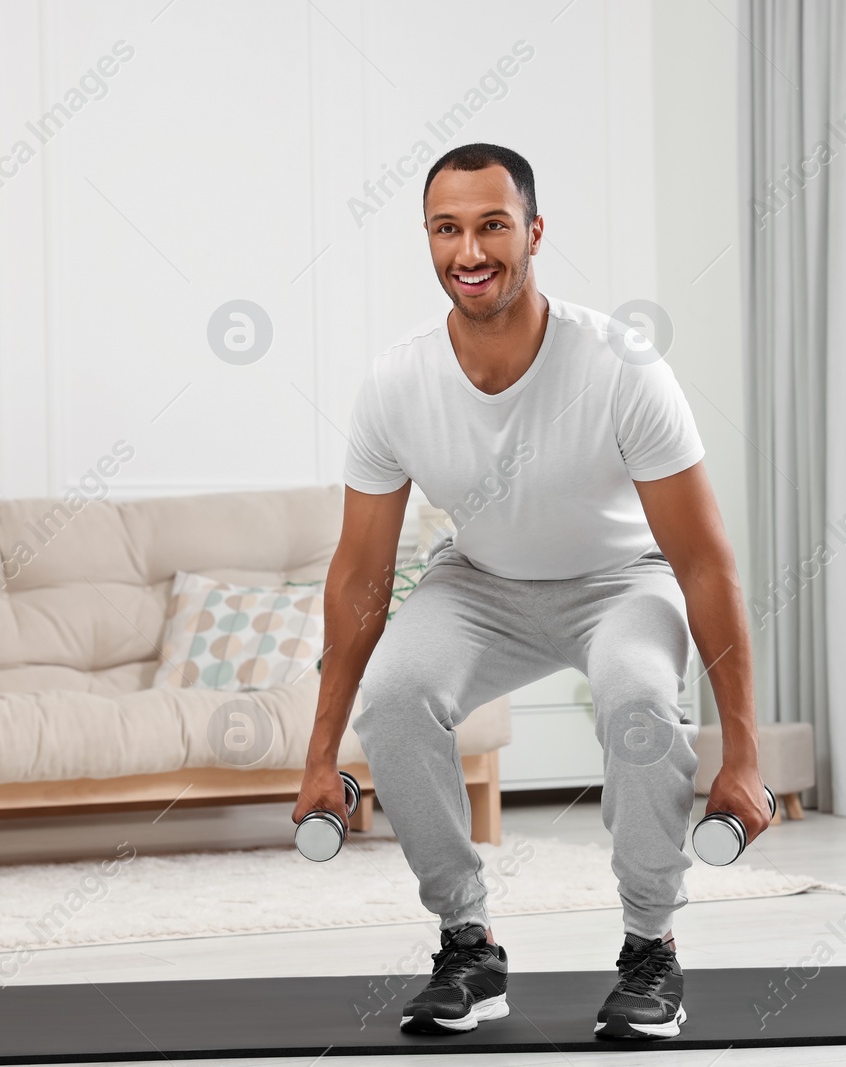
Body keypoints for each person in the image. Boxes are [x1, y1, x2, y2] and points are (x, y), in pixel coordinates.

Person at [291, 143, 766, 1041]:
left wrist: (741, 752)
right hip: (482, 585)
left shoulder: (622, 366)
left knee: (634, 694)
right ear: (428, 239)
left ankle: (649, 948)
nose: (469, 251)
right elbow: (360, 575)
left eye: (492, 225)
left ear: (534, 232)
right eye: (447, 228)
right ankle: (468, 946)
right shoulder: (398, 382)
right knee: (393, 696)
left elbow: (706, 561)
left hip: (623, 579)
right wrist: (324, 753)